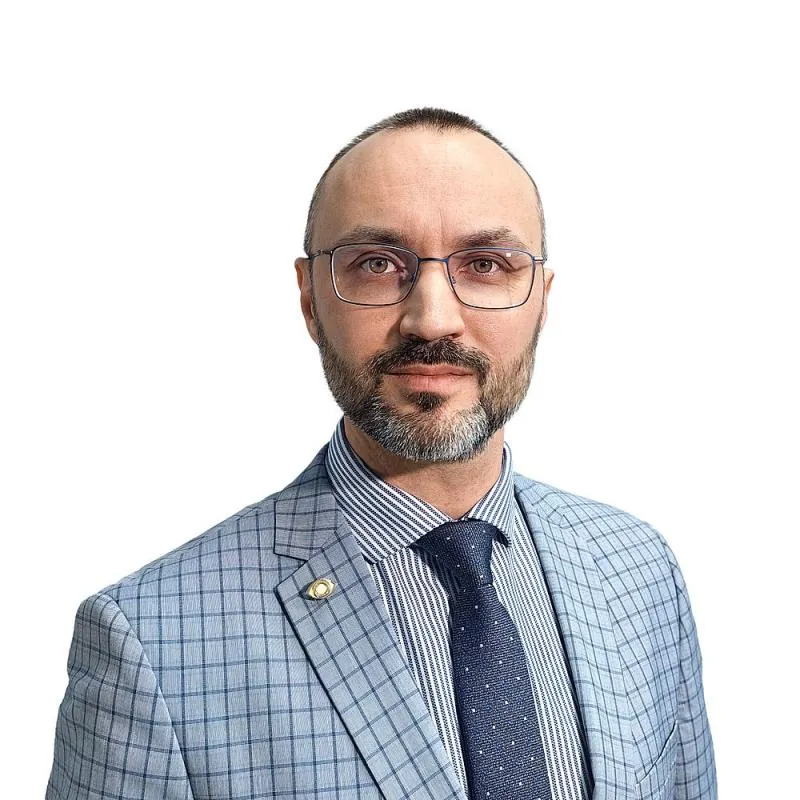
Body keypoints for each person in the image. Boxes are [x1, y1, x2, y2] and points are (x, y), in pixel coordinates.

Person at [46, 107, 716, 800]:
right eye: (377, 265)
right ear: (310, 300)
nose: (432, 319)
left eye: (486, 265)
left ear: (541, 301)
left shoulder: (640, 571)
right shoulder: (151, 643)